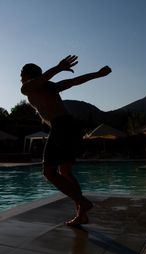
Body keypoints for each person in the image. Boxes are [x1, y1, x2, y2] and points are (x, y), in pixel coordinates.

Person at [20, 55, 112, 226]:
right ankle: (81, 214)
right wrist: (98, 74)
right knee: (65, 172)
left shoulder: (27, 88)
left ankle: (82, 202)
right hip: (70, 126)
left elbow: (70, 80)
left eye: (21, 73)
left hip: (61, 126)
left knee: (49, 172)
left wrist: (58, 67)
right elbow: (75, 81)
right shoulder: (50, 87)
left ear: (27, 75)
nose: (20, 77)